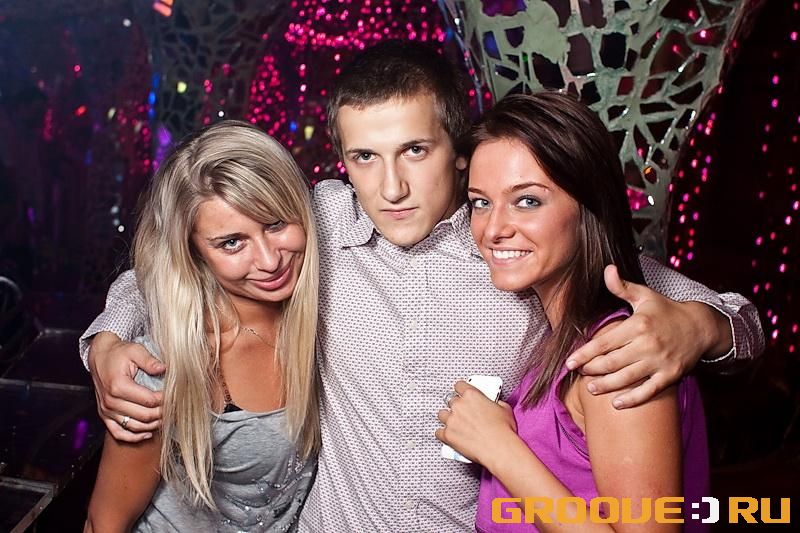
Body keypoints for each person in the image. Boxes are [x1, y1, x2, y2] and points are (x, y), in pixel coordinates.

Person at [80, 41, 763, 532]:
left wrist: (703, 327)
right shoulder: (317, 222)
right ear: (342, 162)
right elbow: (175, 263)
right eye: (364, 158)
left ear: (458, 152)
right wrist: (107, 341)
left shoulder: (514, 243)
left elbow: (739, 319)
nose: (392, 187)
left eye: (414, 150)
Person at [436, 92, 709, 532]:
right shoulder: (561, 338)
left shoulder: (617, 356)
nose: (493, 229)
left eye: (527, 201)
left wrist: (500, 449)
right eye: (481, 202)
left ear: (587, 206)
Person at [84, 121, 319, 532]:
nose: (269, 261)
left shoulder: (329, 309)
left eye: (276, 224)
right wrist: (104, 343)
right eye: (232, 242)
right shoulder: (164, 368)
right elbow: (105, 522)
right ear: (193, 253)